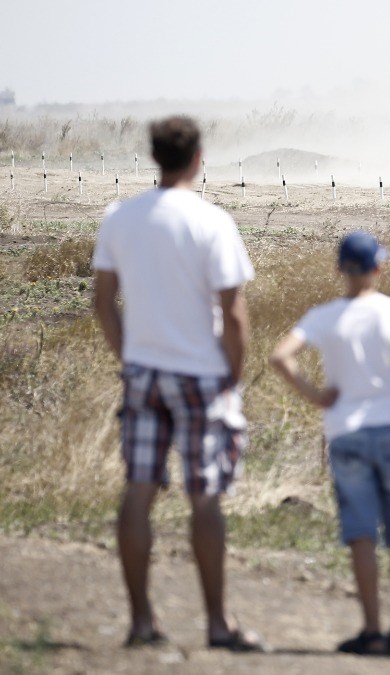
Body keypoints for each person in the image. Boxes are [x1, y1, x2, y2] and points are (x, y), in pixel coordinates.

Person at [92, 115, 263, 651]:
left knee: (139, 490)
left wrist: (130, 357)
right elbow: (234, 313)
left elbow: (102, 300)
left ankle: (142, 621)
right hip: (201, 373)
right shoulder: (212, 222)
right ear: (198, 158)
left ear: (154, 156)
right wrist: (232, 373)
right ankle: (216, 623)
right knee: (205, 496)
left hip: (145, 371)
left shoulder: (121, 218)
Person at [269, 232, 390, 657]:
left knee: (361, 533)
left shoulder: (324, 316)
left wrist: (315, 394)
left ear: (340, 269)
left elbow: (280, 356)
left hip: (346, 431)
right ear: (378, 267)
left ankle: (372, 628)